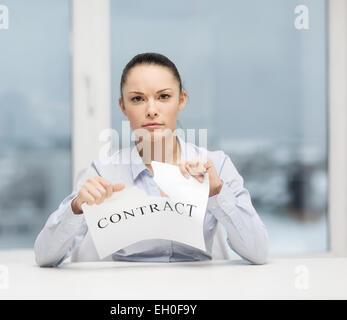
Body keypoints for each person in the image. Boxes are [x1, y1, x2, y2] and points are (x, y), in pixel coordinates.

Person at [34, 52, 269, 267]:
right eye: (137, 99)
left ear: (181, 100)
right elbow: (45, 258)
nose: (151, 110)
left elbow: (258, 252)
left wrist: (217, 192)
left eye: (164, 96)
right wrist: (76, 207)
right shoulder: (104, 171)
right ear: (123, 106)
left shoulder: (216, 165)